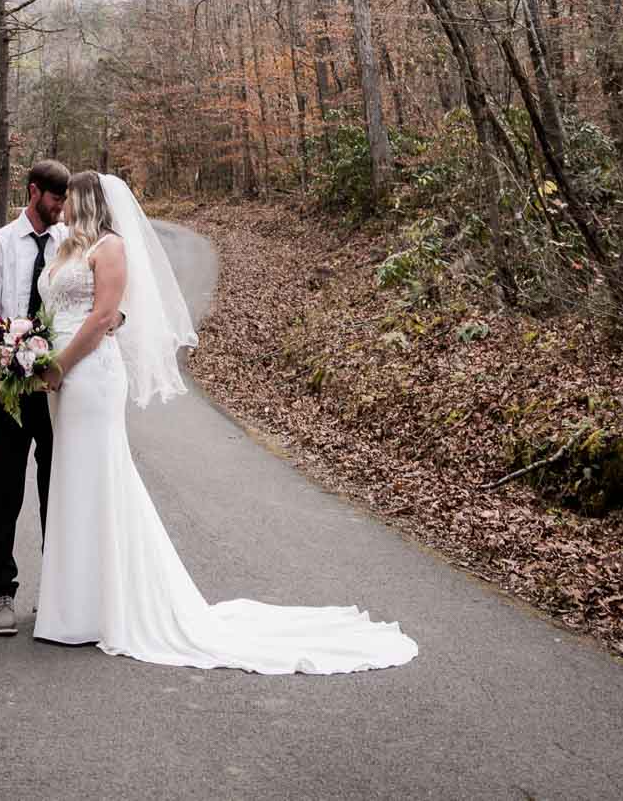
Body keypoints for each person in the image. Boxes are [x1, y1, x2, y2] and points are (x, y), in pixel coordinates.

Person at [32, 170, 418, 675]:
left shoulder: (111, 248)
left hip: (89, 377)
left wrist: (60, 365)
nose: (62, 207)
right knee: (72, 483)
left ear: (88, 201)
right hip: (60, 379)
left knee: (96, 479)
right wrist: (34, 352)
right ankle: (75, 605)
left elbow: (106, 317)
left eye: (72, 199)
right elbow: (53, 308)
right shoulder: (65, 250)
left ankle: (101, 607)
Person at [0, 156, 70, 634]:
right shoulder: (1, 244)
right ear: (34, 192)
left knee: (57, 489)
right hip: (10, 387)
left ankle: (57, 591)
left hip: (57, 388)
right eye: (55, 199)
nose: (62, 208)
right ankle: (1, 593)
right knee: (6, 491)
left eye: (65, 199)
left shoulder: (70, 243)